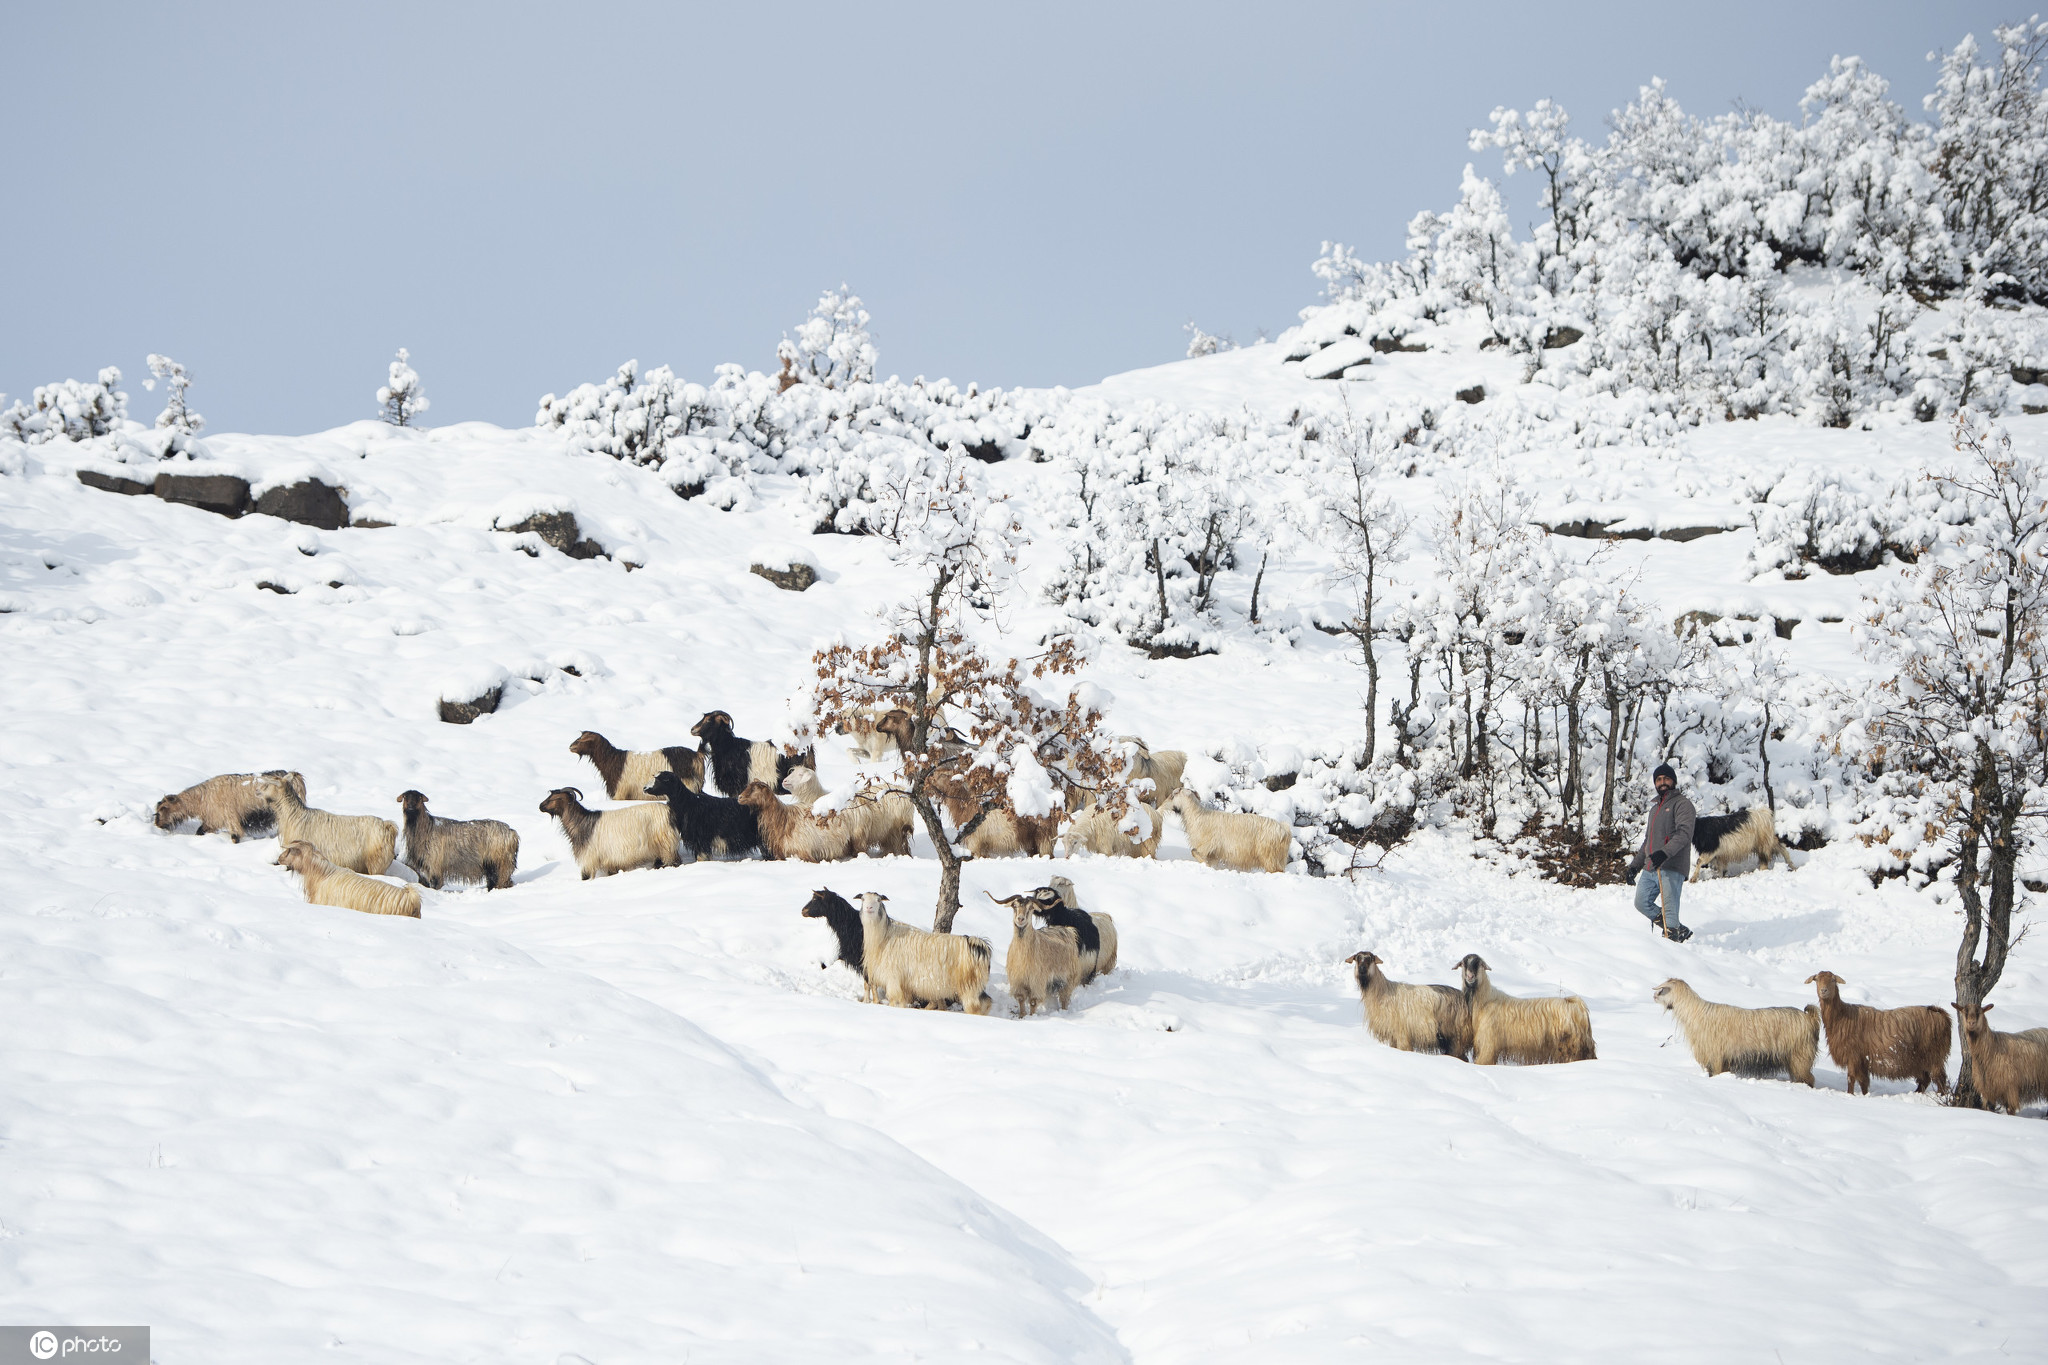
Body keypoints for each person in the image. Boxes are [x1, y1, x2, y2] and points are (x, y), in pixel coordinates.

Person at [1626, 763, 1695, 943]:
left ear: (1673, 781)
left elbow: (1684, 834)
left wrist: (1664, 853)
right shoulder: (1654, 809)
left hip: (1671, 866)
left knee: (1670, 911)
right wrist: (1635, 866)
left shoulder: (1683, 804)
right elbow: (1648, 840)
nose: (1662, 782)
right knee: (1641, 903)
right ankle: (1679, 931)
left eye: (1666, 778)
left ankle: (1671, 947)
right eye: (1658, 779)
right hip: (1651, 866)